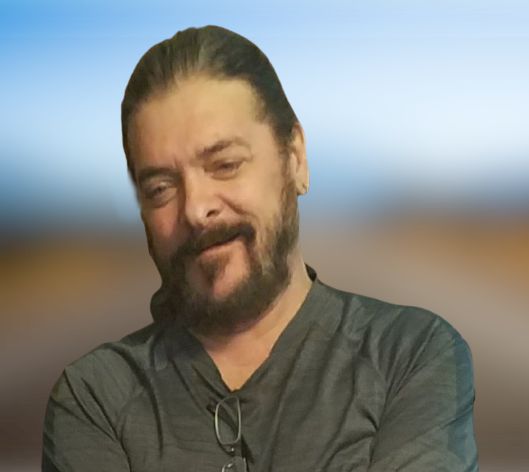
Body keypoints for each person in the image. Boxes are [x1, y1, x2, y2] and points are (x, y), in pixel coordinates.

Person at [42, 25, 478, 471]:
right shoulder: (96, 398)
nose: (195, 209)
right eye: (160, 188)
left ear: (295, 158)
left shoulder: (408, 355)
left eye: (225, 164)